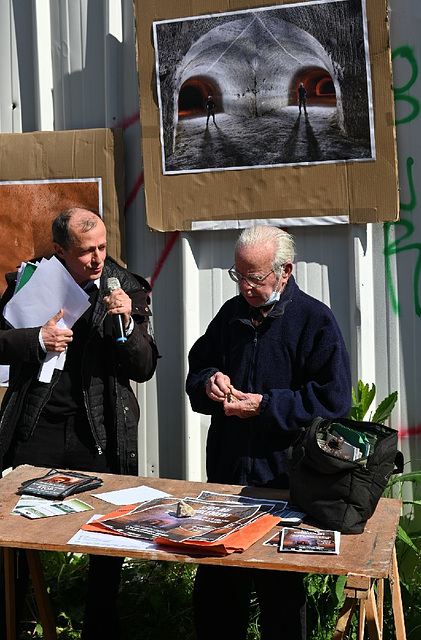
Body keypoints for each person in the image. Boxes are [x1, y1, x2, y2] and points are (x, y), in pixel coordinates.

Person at [186, 225, 352, 640]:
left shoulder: (314, 320)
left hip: (285, 482)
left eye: (255, 277)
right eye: (237, 275)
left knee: (280, 599)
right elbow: (197, 370)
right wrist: (209, 381)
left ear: (285, 271)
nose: (245, 287)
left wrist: (266, 406)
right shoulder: (230, 315)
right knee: (218, 594)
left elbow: (334, 402)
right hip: (228, 479)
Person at [0, 206, 159, 639]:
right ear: (61, 251)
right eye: (86, 251)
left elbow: (144, 367)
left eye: (103, 248)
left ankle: (99, 629)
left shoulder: (125, 287)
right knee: (12, 536)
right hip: (39, 428)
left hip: (100, 434)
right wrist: (36, 339)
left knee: (105, 542)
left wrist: (126, 321)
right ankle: (18, 622)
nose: (97, 259)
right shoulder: (32, 279)